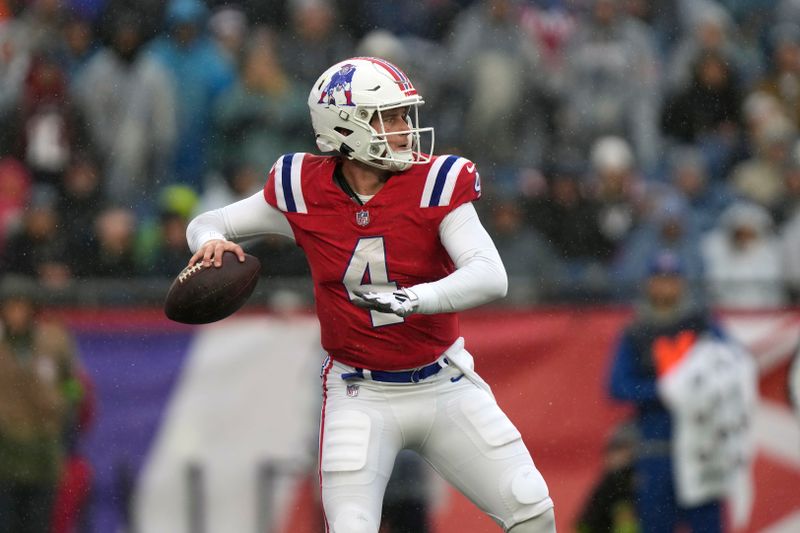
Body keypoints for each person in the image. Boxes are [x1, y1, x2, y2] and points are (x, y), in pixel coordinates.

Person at [186, 56, 555, 532]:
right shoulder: (302, 187)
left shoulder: (435, 183)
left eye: (405, 115)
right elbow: (207, 221)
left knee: (532, 511)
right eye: (391, 117)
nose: (406, 129)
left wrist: (413, 299)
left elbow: (489, 275)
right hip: (359, 390)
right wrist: (210, 242)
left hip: (444, 382)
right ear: (346, 126)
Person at [608, 250, 756, 533]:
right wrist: (662, 391)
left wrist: (699, 391)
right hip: (657, 448)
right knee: (656, 525)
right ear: (649, 283)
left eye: (672, 279)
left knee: (707, 525)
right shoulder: (636, 330)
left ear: (682, 283)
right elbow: (616, 387)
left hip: (703, 448)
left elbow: (735, 366)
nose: (666, 286)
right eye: (660, 279)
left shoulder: (703, 325)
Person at [0, 276, 82, 533]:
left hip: (44, 451)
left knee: (39, 523)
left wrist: (65, 404)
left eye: (22, 306)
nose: (17, 314)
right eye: (10, 307)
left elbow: (74, 385)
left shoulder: (53, 342)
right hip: (5, 452)